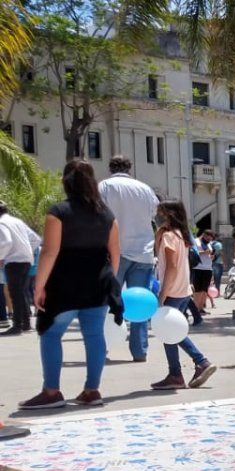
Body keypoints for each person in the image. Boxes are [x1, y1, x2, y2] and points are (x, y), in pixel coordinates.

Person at [20, 160, 120, 409]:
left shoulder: (59, 212)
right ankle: (92, 390)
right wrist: (109, 282)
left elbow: (49, 253)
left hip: (64, 284)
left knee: (51, 334)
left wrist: (38, 287)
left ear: (66, 182)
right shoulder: (107, 214)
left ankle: (52, 391)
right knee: (95, 335)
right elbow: (115, 252)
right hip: (97, 283)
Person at [149, 200, 218, 390]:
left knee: (169, 331)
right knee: (171, 331)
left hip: (171, 291)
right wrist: (159, 233)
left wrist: (162, 293)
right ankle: (180, 371)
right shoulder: (180, 235)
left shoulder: (170, 236)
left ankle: (192, 365)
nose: (158, 216)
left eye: (161, 213)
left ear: (169, 215)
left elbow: (170, 266)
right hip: (183, 290)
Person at [98, 155, 158, 362]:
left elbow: (98, 216)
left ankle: (102, 347)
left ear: (110, 167)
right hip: (143, 252)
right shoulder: (145, 189)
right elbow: (153, 215)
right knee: (140, 303)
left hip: (115, 252)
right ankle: (140, 351)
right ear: (130, 168)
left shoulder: (104, 187)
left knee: (106, 302)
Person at [0, 201, 42, 335]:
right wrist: (26, 251)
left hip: (14, 261)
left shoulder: (1, 223)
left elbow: (6, 242)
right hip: (25, 260)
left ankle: (17, 326)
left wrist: (1, 256)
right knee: (21, 292)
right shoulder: (16, 221)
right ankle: (26, 324)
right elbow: (35, 239)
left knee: (15, 293)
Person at [191, 230, 215, 320]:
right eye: (208, 237)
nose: (209, 239)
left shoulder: (208, 243)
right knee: (198, 290)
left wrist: (211, 257)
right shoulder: (196, 241)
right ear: (204, 235)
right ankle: (196, 309)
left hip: (208, 268)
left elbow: (210, 253)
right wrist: (204, 253)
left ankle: (201, 308)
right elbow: (193, 253)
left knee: (204, 290)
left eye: (211, 238)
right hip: (198, 268)